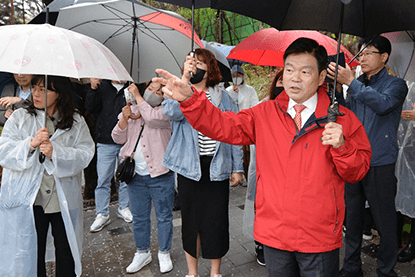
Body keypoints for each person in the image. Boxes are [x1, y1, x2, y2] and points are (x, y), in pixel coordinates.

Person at [154, 38, 372, 277]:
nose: (294, 78)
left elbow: (357, 171)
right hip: (275, 233)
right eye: (289, 70)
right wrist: (190, 100)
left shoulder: (341, 119)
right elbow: (222, 125)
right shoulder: (265, 114)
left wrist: (342, 146)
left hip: (318, 235)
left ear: (321, 78)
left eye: (304, 71)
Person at [327, 35, 408, 277]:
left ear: (384, 57)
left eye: (368, 52)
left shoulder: (396, 85)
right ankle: (352, 267)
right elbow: (345, 114)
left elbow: (383, 105)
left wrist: (351, 83)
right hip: (353, 160)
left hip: (380, 162)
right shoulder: (356, 84)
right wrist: (338, 91)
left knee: (384, 220)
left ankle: (385, 270)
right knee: (351, 219)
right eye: (360, 53)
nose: (361, 57)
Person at [0, 75, 95, 276]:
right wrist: (30, 144)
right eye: (35, 87)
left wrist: (57, 153)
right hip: (31, 200)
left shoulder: (76, 121)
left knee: (66, 250)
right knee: (32, 253)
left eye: (44, 89)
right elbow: (3, 151)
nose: (35, 93)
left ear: (59, 93)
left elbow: (86, 153)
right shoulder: (19, 117)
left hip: (63, 201)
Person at [162, 48, 244, 277]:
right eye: (191, 62)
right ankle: (192, 273)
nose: (195, 65)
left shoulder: (223, 96)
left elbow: (235, 133)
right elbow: (171, 113)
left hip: (216, 167)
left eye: (199, 62)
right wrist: (185, 85)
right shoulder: (179, 89)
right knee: (191, 222)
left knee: (215, 221)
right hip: (190, 167)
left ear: (210, 68)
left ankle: (215, 273)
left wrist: (237, 168)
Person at [111, 82, 175, 274]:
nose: (153, 93)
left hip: (161, 175)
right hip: (135, 176)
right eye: (151, 89)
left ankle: (164, 252)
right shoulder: (132, 109)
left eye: (159, 92)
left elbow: (153, 119)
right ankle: (142, 252)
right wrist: (124, 119)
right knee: (139, 218)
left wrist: (138, 97)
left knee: (164, 216)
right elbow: (117, 138)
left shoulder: (166, 110)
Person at [243, 69, 284, 267]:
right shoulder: (262, 107)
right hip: (260, 167)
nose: (283, 87)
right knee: (260, 206)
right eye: (280, 81)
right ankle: (260, 244)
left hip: (282, 174)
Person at [85, 78, 132, 232]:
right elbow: (90, 108)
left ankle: (124, 207)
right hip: (105, 139)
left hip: (127, 139)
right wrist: (92, 88)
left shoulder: (131, 87)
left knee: (126, 177)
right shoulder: (102, 85)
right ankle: (102, 213)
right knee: (103, 178)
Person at [226, 65, 259, 187]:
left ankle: (246, 175)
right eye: (234, 75)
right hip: (233, 125)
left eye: (239, 75)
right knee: (234, 150)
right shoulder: (228, 91)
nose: (237, 77)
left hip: (247, 125)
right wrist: (234, 95)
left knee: (247, 153)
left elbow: (254, 105)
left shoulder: (250, 90)